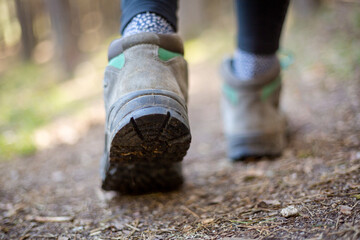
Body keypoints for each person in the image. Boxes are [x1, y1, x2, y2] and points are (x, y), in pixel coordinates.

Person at [100, 0, 290, 193]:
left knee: (147, 26)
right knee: (254, 62)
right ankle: (254, 86)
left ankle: (143, 53)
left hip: (136, 63)